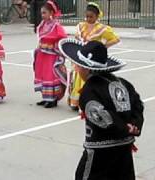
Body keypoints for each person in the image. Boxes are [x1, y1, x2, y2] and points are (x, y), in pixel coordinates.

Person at [59, 39, 144, 180]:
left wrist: (124, 128)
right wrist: (134, 125)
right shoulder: (123, 83)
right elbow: (138, 106)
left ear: (86, 68)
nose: (76, 69)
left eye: (78, 66)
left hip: (100, 151)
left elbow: (101, 116)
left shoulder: (89, 90)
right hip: (124, 148)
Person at [68, 2, 120, 111]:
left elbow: (115, 39)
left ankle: (86, 102)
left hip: (92, 60)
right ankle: (76, 101)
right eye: (87, 16)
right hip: (82, 57)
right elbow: (77, 38)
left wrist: (102, 47)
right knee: (78, 77)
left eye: (91, 17)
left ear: (97, 16)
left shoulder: (102, 29)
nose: (88, 19)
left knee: (88, 79)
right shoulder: (81, 26)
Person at [33, 0, 67, 108]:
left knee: (50, 75)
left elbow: (63, 38)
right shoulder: (43, 24)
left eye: (44, 13)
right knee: (43, 74)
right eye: (41, 13)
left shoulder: (56, 25)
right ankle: (46, 97)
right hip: (42, 54)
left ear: (51, 13)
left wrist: (56, 47)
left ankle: (53, 99)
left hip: (51, 55)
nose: (42, 15)